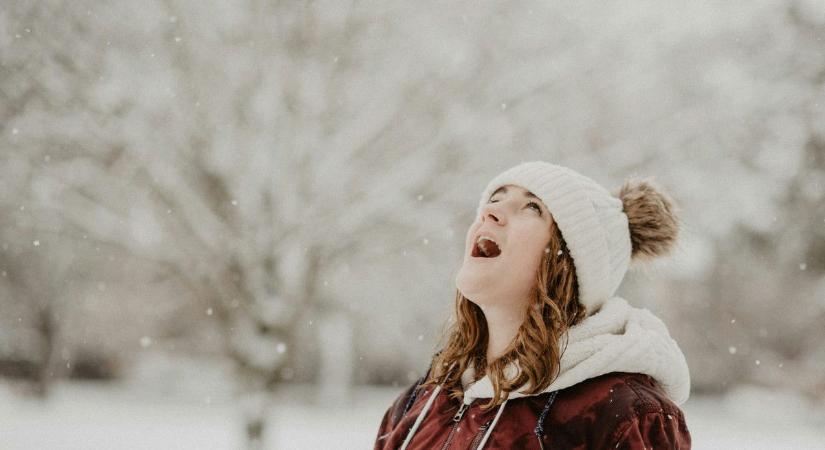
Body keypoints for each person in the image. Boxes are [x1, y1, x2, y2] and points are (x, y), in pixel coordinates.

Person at [373, 161, 691, 450]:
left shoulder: (623, 416)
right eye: (495, 198)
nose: (490, 212)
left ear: (569, 263)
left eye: (531, 207)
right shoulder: (426, 398)